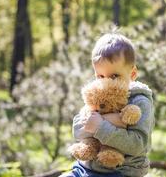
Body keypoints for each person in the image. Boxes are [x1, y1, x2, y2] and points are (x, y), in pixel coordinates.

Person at [61, 32, 155, 177]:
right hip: (85, 168)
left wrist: (101, 126)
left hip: (121, 171)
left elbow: (138, 145)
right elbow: (78, 131)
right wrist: (105, 121)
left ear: (132, 74)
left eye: (114, 76)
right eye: (100, 76)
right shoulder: (97, 96)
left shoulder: (140, 102)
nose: (106, 83)